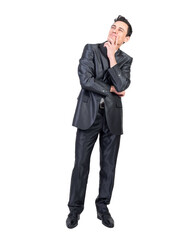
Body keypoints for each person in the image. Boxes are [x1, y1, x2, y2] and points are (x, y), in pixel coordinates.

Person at [66, 15, 133, 229]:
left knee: (108, 167)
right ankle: (75, 210)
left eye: (120, 30)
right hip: (88, 115)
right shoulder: (90, 49)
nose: (115, 31)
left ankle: (102, 207)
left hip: (112, 118)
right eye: (113, 27)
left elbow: (123, 83)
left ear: (126, 38)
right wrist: (112, 89)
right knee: (81, 165)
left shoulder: (126, 60)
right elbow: (85, 80)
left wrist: (113, 57)